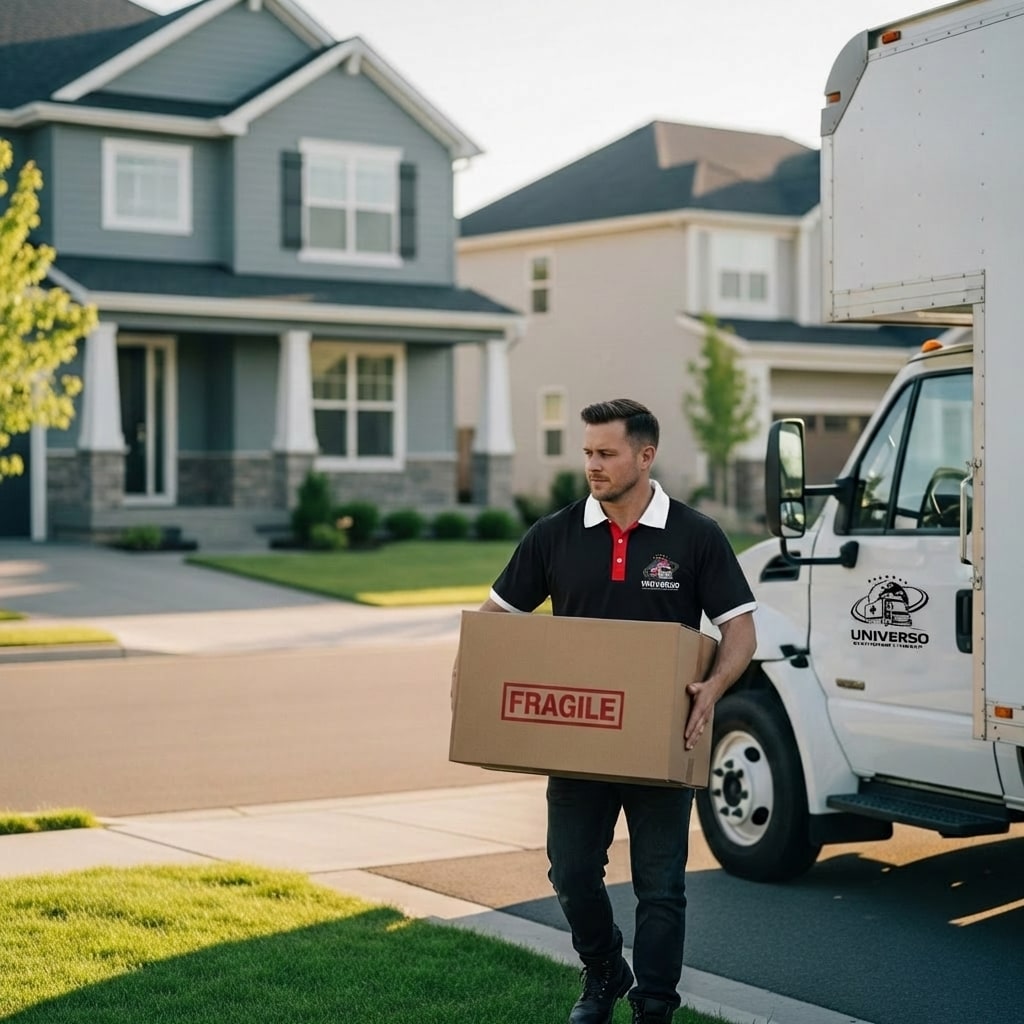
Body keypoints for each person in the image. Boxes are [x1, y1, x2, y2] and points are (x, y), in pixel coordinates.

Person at [475, 399, 757, 1024]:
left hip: (663, 736)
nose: (592, 466)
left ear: (645, 455)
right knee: (571, 871)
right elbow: (496, 624)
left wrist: (713, 688)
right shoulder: (553, 535)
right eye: (588, 453)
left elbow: (741, 630)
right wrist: (477, 678)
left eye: (606, 453)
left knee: (661, 886)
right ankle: (604, 968)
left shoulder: (695, 535)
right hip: (579, 739)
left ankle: (654, 1003)